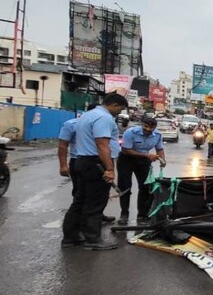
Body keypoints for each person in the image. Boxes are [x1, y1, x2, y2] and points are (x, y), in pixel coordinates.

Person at [61, 92, 128, 250]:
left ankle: (70, 238)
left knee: (79, 201)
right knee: (95, 203)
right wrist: (110, 168)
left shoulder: (87, 115)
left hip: (81, 160)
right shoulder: (104, 118)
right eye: (120, 109)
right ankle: (92, 239)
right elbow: (102, 144)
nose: (120, 113)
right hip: (95, 163)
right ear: (114, 105)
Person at [57, 103, 116, 222]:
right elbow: (63, 145)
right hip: (81, 159)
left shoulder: (97, 122)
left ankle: (95, 216)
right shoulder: (72, 124)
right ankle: (84, 224)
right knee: (81, 195)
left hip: (96, 160)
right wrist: (63, 165)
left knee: (98, 195)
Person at [116, 117, 166, 225]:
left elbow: (160, 149)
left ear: (155, 127)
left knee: (146, 187)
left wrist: (163, 159)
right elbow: (126, 149)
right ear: (142, 124)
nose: (148, 129)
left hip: (144, 161)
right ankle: (124, 214)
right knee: (125, 187)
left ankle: (142, 214)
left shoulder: (157, 135)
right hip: (126, 159)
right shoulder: (130, 132)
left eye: (151, 127)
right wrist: (147, 155)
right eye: (146, 126)